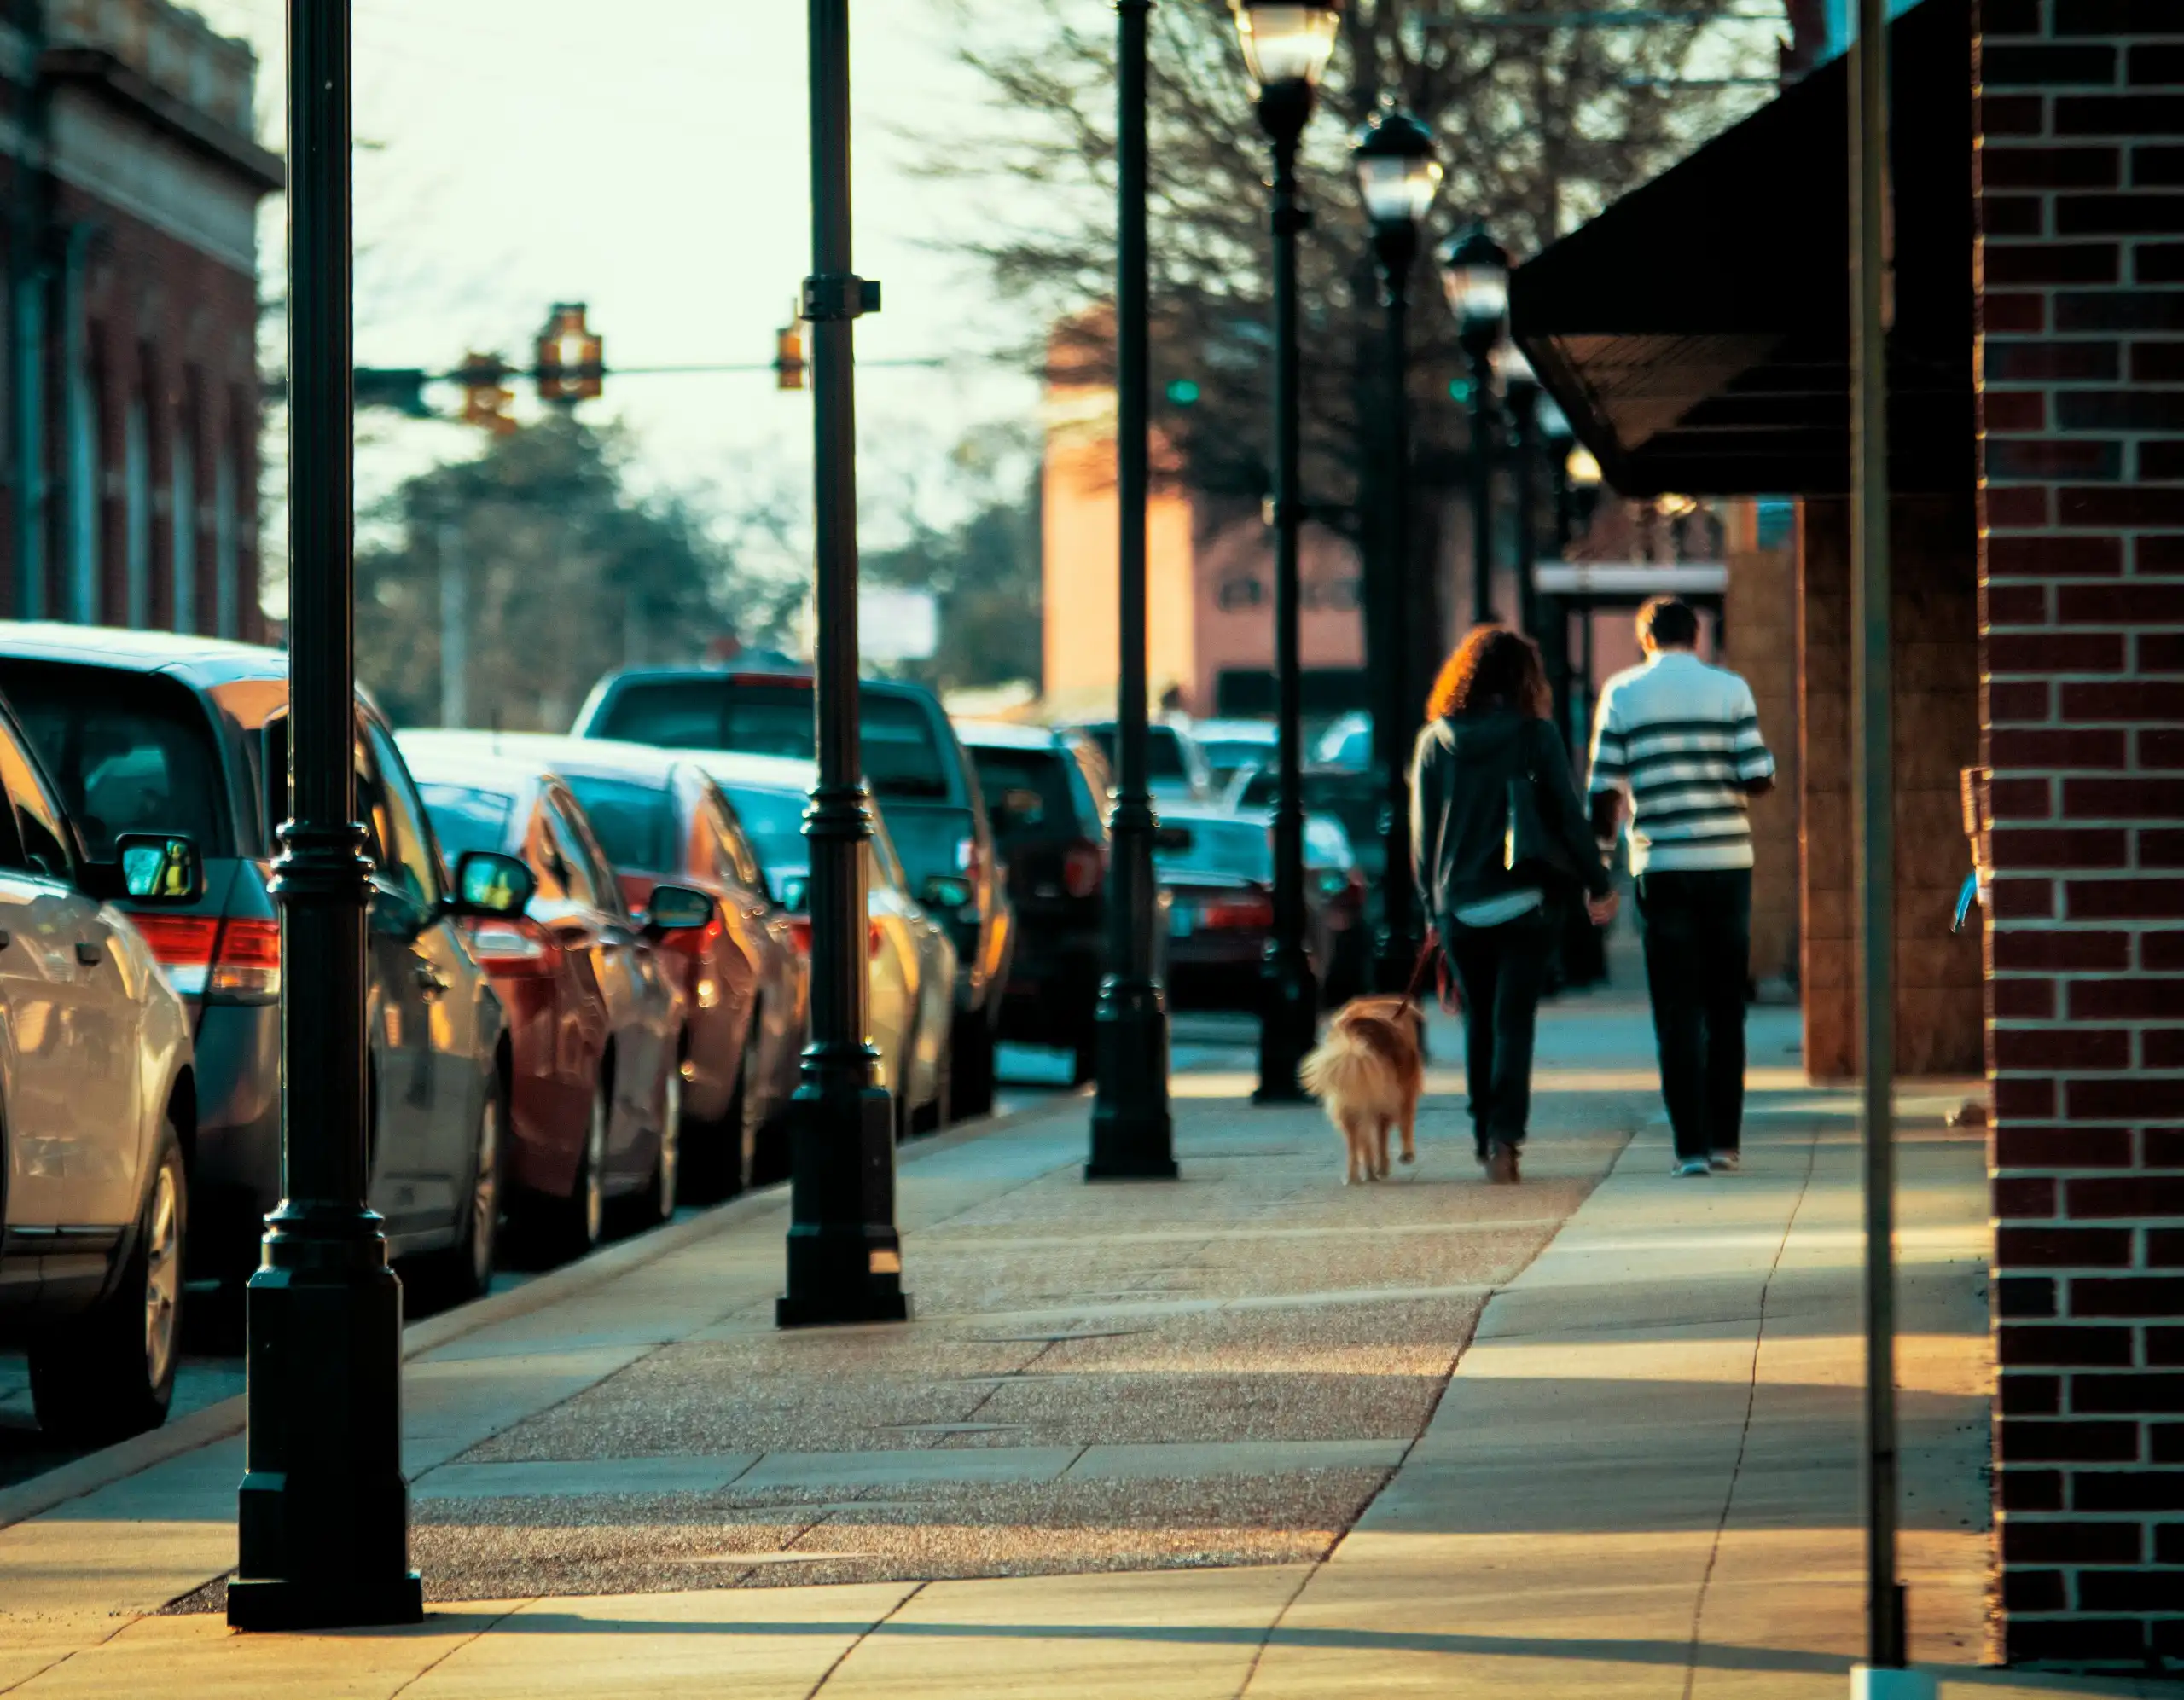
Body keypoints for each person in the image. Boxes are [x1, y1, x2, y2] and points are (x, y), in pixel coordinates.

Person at [1411, 626, 1615, 1185]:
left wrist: (1433, 909)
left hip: (1462, 906)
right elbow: (1570, 819)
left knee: (1478, 1021)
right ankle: (1506, 1139)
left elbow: (1422, 837)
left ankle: (1482, 1133)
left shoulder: (1436, 740)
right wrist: (1599, 883)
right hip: (1526, 901)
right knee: (1513, 1023)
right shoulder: (1536, 736)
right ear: (1525, 679)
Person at [1587, 596, 1776, 1178]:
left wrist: (1600, 872)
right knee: (1725, 1008)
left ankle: (1689, 1148)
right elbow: (1758, 775)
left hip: (1662, 865)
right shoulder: (1731, 689)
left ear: (1646, 639)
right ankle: (1725, 1142)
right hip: (1727, 862)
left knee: (1675, 1009)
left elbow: (1603, 792)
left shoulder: (1621, 693)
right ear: (1696, 637)